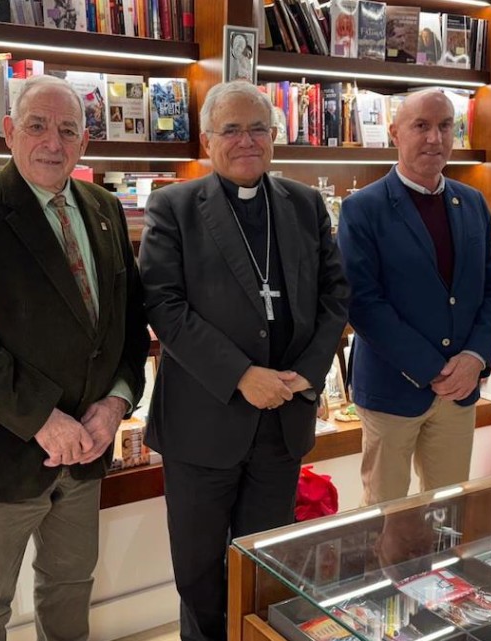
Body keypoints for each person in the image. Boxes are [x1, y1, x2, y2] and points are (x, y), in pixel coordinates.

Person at [0, 74, 149, 641]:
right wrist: (44, 420)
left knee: (70, 586)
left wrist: (116, 404)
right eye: (37, 126)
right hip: (4, 451)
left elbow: (127, 325)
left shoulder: (104, 208)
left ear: (85, 142)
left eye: (68, 129)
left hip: (89, 449)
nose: (53, 141)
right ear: (8, 133)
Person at [138, 80, 349, 641]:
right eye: (231, 129)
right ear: (208, 141)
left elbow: (335, 294)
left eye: (258, 128)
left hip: (282, 421)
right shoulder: (173, 206)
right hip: (203, 424)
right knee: (201, 574)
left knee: (265, 567)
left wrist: (307, 371)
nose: (246, 140)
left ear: (275, 137)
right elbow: (163, 303)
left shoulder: (303, 204)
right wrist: (240, 376)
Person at [338, 89, 491, 507]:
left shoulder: (472, 203)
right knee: (383, 512)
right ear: (395, 133)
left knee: (449, 509)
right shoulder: (363, 208)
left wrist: (474, 359)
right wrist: (433, 368)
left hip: (460, 391)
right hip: (393, 388)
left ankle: (441, 577)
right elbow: (363, 303)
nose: (435, 138)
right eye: (422, 126)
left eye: (445, 126)